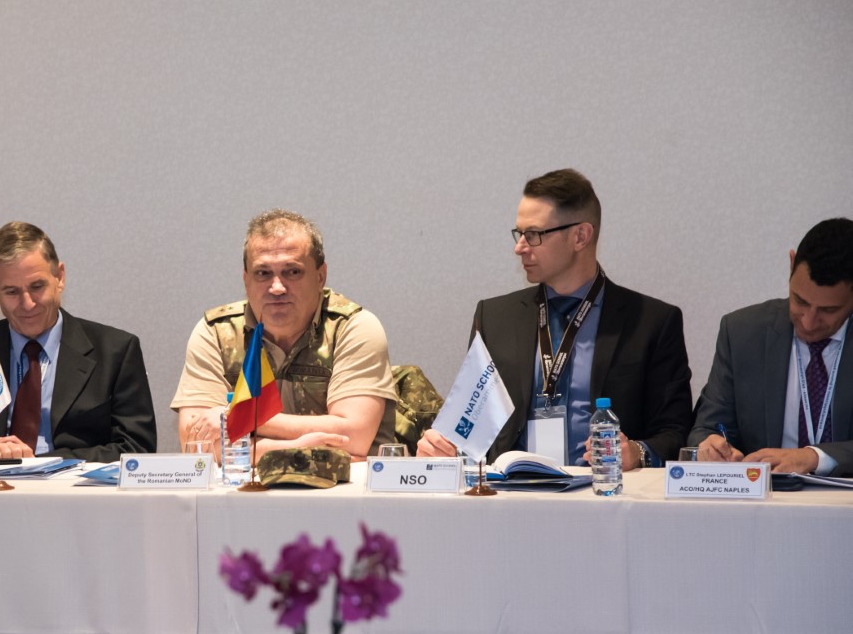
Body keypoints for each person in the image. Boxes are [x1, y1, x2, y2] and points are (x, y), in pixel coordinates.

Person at [418, 169, 693, 467]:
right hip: (513, 488)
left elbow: (676, 432)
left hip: (604, 488)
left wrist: (637, 452)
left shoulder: (652, 322)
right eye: (519, 233)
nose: (519, 247)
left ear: (580, 236)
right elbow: (471, 426)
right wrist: (443, 446)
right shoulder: (494, 318)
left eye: (534, 235)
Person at [172, 209, 397, 460]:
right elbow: (196, 444)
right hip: (243, 485)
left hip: (343, 484)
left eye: (292, 272)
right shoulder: (216, 332)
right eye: (263, 273)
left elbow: (354, 436)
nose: (277, 287)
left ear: (320, 277)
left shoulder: (353, 327)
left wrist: (239, 418)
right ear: (246, 280)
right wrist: (295, 448)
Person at [0, 221, 156, 461]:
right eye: (11, 292)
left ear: (60, 277)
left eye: (37, 287)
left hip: (76, 483)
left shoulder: (115, 351)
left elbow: (136, 448)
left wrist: (44, 463)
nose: (27, 304)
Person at [690, 218, 853, 474]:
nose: (809, 322)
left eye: (828, 310)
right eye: (800, 301)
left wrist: (814, 457)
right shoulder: (742, 332)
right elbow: (708, 428)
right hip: (765, 494)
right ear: (791, 264)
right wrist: (710, 446)